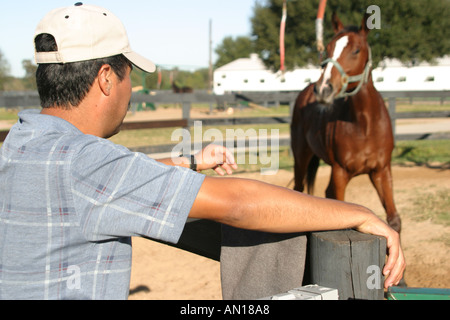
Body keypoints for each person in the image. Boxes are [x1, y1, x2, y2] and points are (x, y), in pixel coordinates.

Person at [0, 3, 405, 300]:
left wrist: (190, 160)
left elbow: (103, 178)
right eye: (128, 75)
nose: (131, 89)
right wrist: (360, 213)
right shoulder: (87, 165)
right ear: (106, 78)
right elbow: (238, 203)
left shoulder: (21, 144)